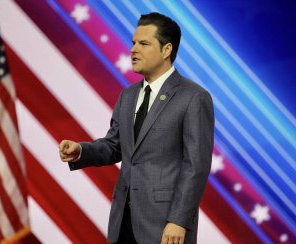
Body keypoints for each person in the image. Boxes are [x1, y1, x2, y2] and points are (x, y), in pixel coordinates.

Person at [59, 12, 214, 244]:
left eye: (144, 43)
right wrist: (81, 151)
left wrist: (179, 220)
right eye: (133, 43)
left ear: (166, 50)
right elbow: (114, 146)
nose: (133, 50)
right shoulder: (128, 96)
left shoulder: (193, 98)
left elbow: (196, 166)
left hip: (165, 226)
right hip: (123, 221)